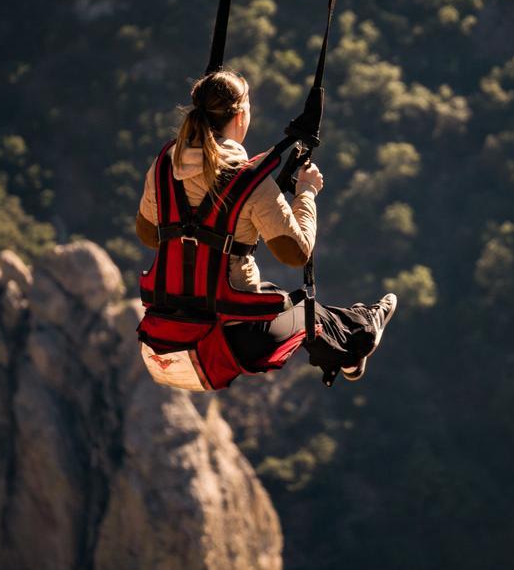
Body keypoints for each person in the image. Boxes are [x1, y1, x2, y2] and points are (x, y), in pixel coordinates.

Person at [135, 69, 397, 389]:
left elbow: (149, 234)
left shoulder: (163, 165)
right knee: (302, 311)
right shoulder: (250, 182)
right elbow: (296, 253)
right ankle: (362, 335)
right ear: (242, 115)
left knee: (273, 294)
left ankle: (347, 354)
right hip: (218, 347)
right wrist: (306, 193)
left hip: (158, 342)